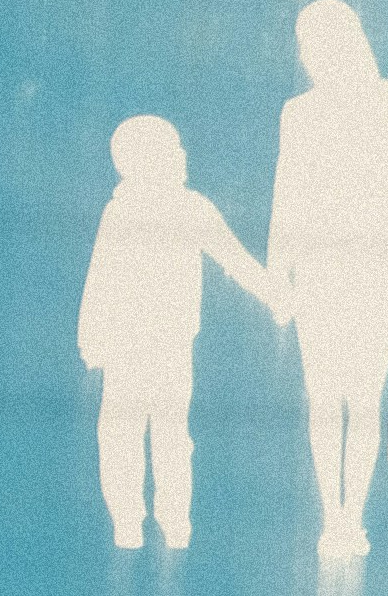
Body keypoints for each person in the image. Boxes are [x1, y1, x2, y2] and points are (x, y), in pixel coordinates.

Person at [263, 0, 388, 565]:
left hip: (377, 268)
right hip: (324, 269)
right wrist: (278, 276)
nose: (305, 55)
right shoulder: (299, 113)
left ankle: (350, 518)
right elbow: (285, 199)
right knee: (327, 395)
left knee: (359, 397)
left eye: (311, 44)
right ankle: (333, 517)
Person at [75, 116, 275, 554]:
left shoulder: (191, 208)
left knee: (166, 433)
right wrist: (92, 336)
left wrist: (275, 295)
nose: (183, 156)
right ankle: (130, 520)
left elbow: (234, 257)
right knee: (125, 432)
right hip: (129, 345)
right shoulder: (124, 211)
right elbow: (101, 278)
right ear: (144, 162)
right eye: (173, 150)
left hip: (169, 344)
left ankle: (173, 522)